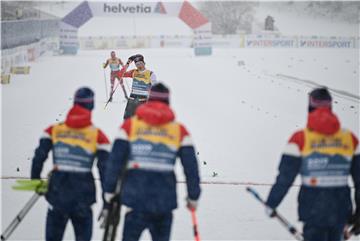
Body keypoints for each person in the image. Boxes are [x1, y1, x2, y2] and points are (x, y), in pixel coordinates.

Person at [100, 83, 201, 241]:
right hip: (164, 202)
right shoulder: (179, 130)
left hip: (135, 200)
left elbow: (115, 161)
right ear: (168, 102)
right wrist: (193, 196)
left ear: (148, 100)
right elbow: (191, 167)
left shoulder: (130, 126)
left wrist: (109, 191)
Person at [265, 87, 360, 241]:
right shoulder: (350, 139)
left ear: (310, 107)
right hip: (341, 211)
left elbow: (285, 178)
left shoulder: (300, 139)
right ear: (330, 107)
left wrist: (272, 203)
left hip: (313, 212)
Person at [30, 87, 111, 241]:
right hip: (83, 198)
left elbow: (39, 156)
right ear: (91, 106)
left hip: (57, 195)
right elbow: (105, 171)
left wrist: (36, 180)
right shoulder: (98, 136)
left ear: (74, 103)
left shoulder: (54, 130)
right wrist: (107, 202)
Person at [118, 54, 157, 119]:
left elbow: (155, 89)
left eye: (140, 63)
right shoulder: (133, 72)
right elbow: (120, 74)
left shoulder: (150, 74)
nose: (139, 66)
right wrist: (128, 63)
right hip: (132, 101)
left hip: (143, 101)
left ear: (144, 63)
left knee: (142, 121)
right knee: (128, 120)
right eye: (137, 64)